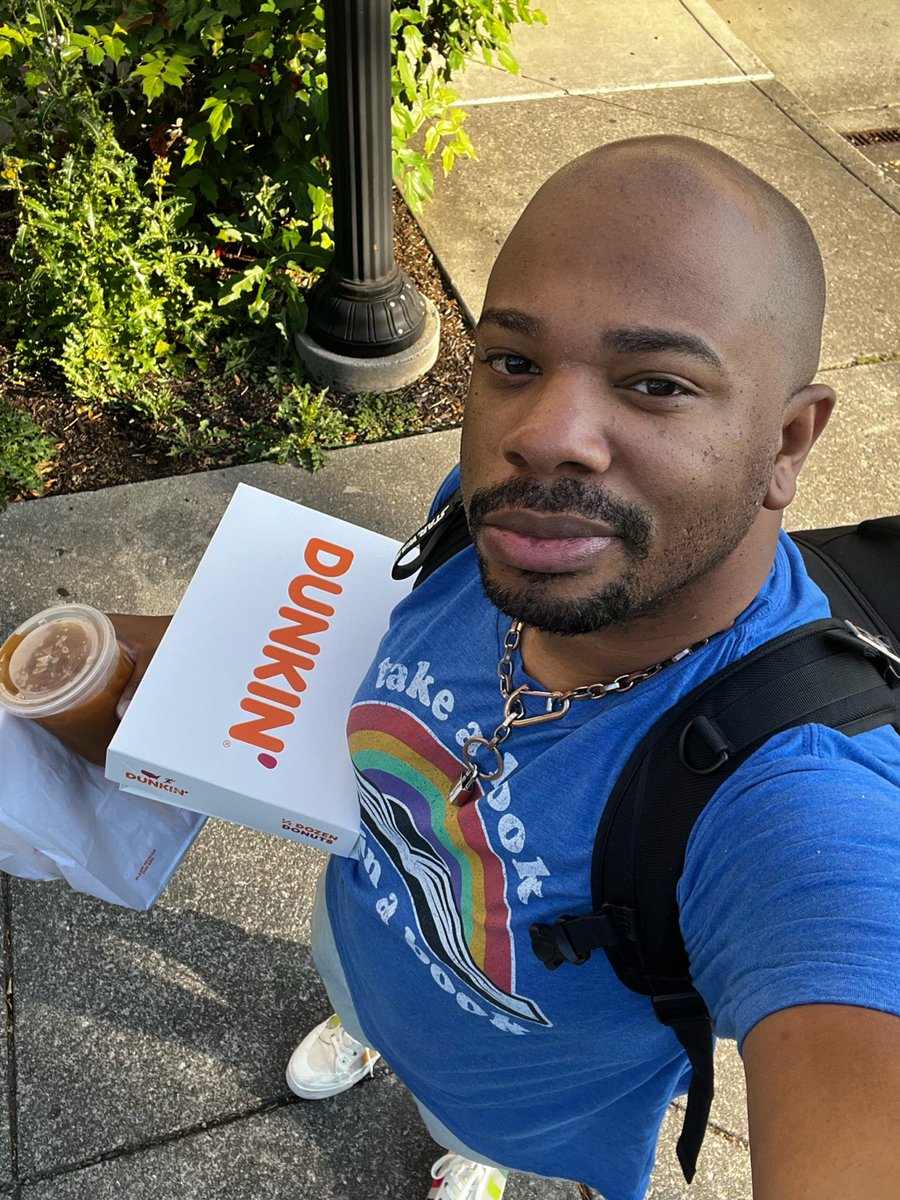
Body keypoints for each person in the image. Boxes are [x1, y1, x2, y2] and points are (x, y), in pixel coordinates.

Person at [115, 135, 900, 1200]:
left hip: (524, 1097)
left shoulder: (793, 805)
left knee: (469, 1122)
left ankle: (470, 1153)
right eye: (515, 362)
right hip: (366, 921)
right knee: (361, 980)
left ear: (791, 442)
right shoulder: (487, 527)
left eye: (656, 383)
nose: (545, 435)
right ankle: (364, 1026)